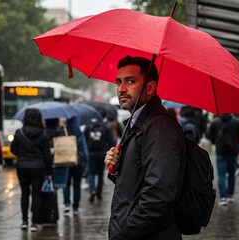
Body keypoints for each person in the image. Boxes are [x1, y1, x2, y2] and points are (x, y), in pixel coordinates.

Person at [104, 55, 186, 239]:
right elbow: (138, 183)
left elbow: (160, 192)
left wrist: (128, 229)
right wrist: (118, 167)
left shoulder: (158, 127)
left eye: (130, 81)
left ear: (150, 87)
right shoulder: (138, 123)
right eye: (118, 82)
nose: (121, 89)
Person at [10, 108, 52, 232]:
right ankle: (34, 222)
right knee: (36, 195)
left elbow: (13, 149)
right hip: (38, 168)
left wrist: (22, 155)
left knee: (24, 194)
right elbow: (47, 155)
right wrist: (49, 172)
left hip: (22, 167)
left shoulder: (19, 132)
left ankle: (24, 221)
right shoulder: (43, 133)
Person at [206, 113, 239, 206]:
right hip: (233, 152)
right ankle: (230, 194)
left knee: (221, 175)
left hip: (220, 152)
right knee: (232, 174)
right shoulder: (237, 122)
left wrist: (216, 142)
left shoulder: (215, 122)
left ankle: (223, 197)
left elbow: (209, 136)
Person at [86, 110, 114, 202]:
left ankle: (92, 190)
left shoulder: (89, 126)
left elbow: (85, 139)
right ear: (104, 116)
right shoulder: (106, 126)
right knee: (100, 174)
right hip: (102, 153)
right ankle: (99, 194)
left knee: (91, 173)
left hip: (91, 153)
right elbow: (111, 141)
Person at [63, 117, 89, 215]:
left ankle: (66, 204)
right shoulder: (79, 135)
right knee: (77, 185)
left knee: (66, 184)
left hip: (66, 162)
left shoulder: (64, 133)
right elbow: (85, 152)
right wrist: (85, 164)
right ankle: (76, 207)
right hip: (78, 163)